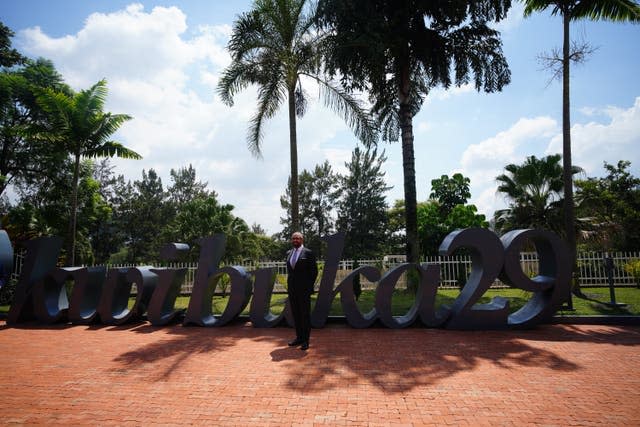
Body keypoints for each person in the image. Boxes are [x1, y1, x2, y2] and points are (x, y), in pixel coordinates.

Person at [286, 231, 318, 350]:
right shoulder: (289, 253)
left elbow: (314, 272)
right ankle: (298, 338)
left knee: (305, 315)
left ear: (302, 240)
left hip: (304, 291)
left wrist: (308, 287)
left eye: (298, 238)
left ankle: (306, 340)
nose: (295, 240)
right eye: (293, 239)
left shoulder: (308, 253)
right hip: (292, 290)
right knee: (296, 314)